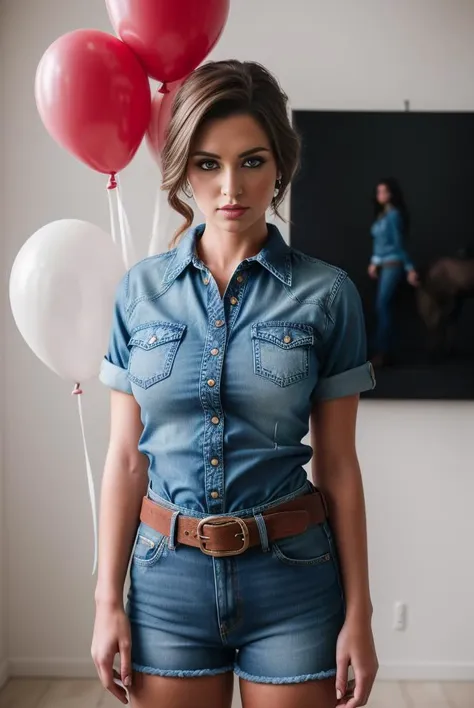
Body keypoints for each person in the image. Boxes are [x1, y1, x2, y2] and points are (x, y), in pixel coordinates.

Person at [91, 59, 379, 708]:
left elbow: (338, 464)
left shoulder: (327, 294)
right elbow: (124, 458)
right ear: (183, 168)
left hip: (294, 580)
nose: (229, 187)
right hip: (166, 584)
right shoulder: (138, 293)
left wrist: (359, 612)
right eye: (207, 163)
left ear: (281, 164)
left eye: (251, 161)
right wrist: (108, 600)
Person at [368, 178, 419, 367]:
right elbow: (380, 243)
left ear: (392, 194)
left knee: (383, 306)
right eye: (379, 192)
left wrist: (409, 268)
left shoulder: (394, 215)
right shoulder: (383, 215)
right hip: (384, 265)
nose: (381, 195)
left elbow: (398, 244)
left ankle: (383, 351)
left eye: (384, 192)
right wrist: (374, 262)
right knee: (383, 307)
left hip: (394, 264)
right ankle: (385, 350)